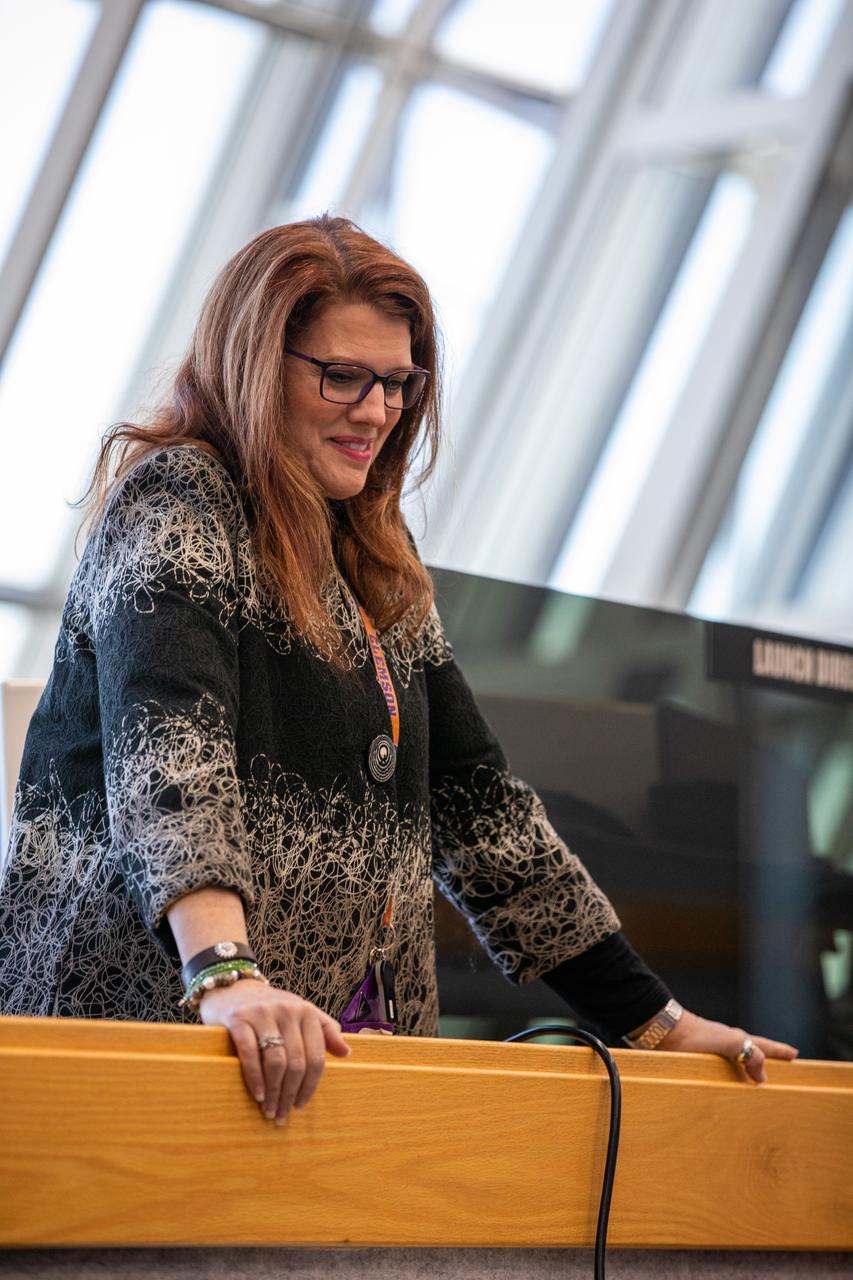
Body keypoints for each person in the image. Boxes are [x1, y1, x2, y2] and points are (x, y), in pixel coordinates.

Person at [0, 215, 797, 1125]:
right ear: (254, 361)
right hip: (147, 1034)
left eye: (398, 383)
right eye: (342, 375)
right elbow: (170, 759)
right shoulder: (180, 497)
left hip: (333, 1054)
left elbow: (475, 803)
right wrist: (223, 974)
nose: (377, 412)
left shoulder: (369, 545)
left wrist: (653, 1022)